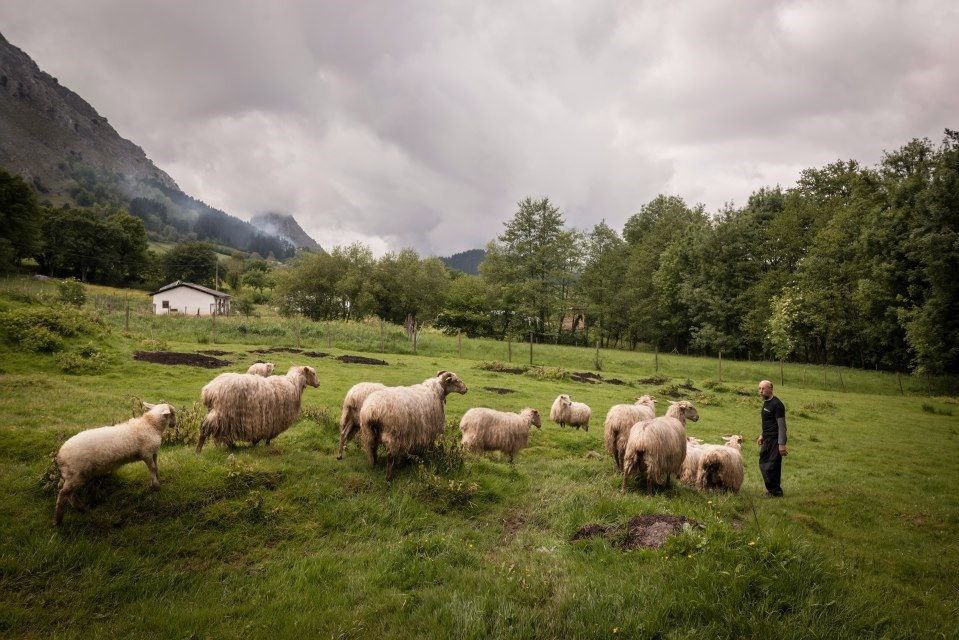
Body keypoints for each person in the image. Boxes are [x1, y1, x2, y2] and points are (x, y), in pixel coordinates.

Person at [756, 379, 787, 497]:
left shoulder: (777, 404)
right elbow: (767, 422)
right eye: (759, 388)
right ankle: (772, 490)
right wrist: (762, 435)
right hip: (767, 439)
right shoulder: (766, 402)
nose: (760, 391)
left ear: (770, 388)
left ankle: (775, 491)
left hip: (775, 439)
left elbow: (781, 425)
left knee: (772, 465)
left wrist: (781, 444)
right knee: (763, 463)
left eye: (763, 389)